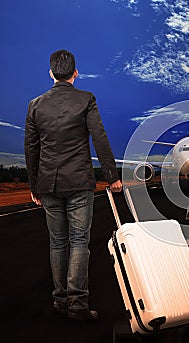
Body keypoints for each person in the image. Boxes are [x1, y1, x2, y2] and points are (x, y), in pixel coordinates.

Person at [24, 49, 122, 321]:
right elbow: (99, 138)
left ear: (52, 73)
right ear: (75, 73)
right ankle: (78, 303)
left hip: (48, 184)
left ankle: (59, 300)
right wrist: (112, 175)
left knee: (58, 242)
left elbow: (30, 149)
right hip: (78, 181)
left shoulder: (35, 104)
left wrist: (34, 186)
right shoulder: (86, 100)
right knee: (79, 241)